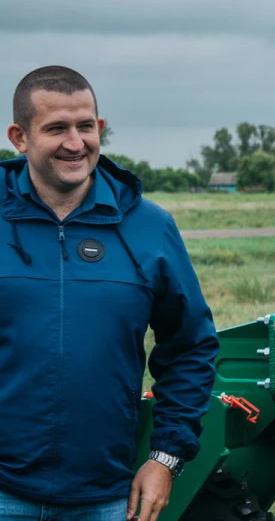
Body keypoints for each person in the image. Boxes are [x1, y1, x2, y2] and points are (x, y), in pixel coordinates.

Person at [0, 66, 219, 521]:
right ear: (19, 137)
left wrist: (165, 459)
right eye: (56, 128)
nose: (75, 143)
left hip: (106, 495)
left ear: (99, 128)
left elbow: (190, 348)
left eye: (85, 127)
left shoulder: (150, 228)